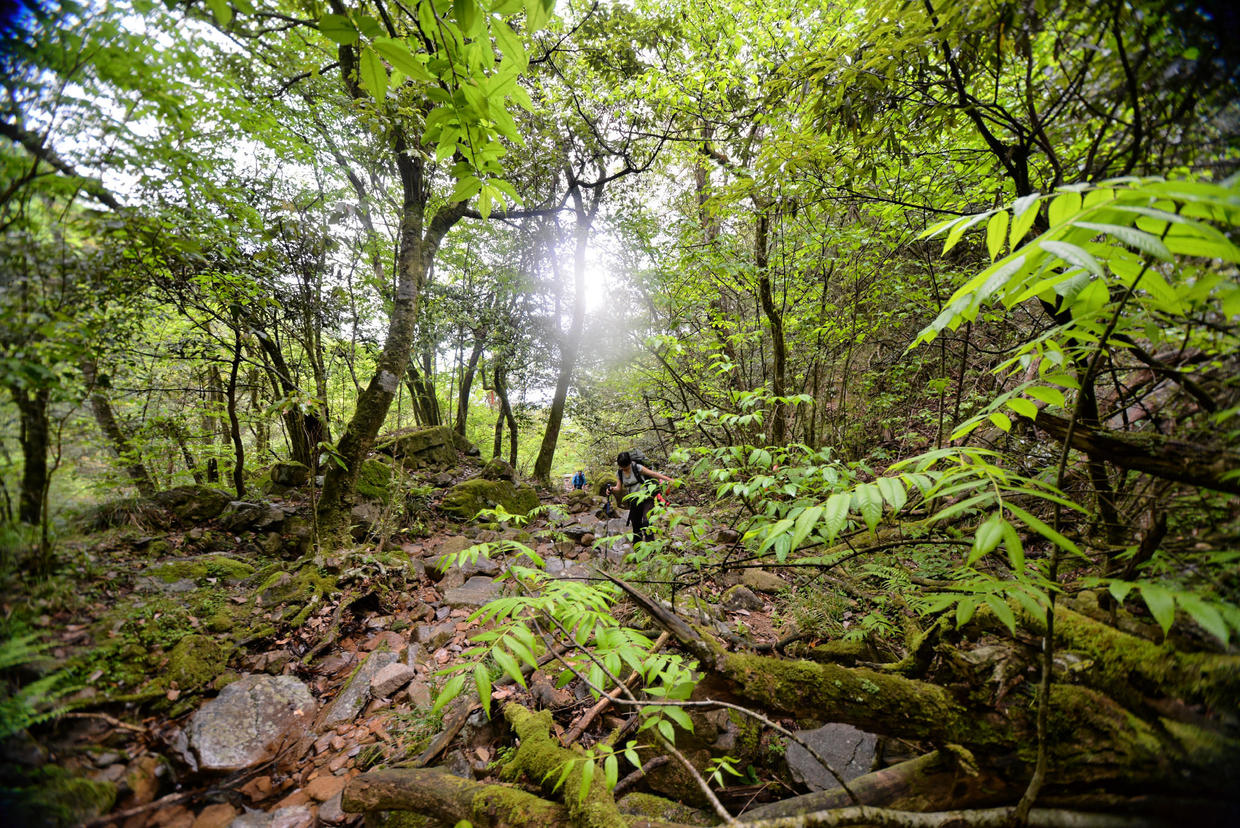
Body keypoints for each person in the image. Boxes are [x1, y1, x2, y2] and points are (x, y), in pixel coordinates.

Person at [607, 451, 674, 543]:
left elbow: (654, 474)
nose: (624, 469)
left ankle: (650, 548)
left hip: (647, 498)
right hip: (634, 500)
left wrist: (670, 480)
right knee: (636, 525)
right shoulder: (619, 473)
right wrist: (611, 489)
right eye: (622, 467)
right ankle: (637, 550)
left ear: (630, 463)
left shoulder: (637, 468)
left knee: (647, 522)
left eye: (626, 467)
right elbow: (618, 488)